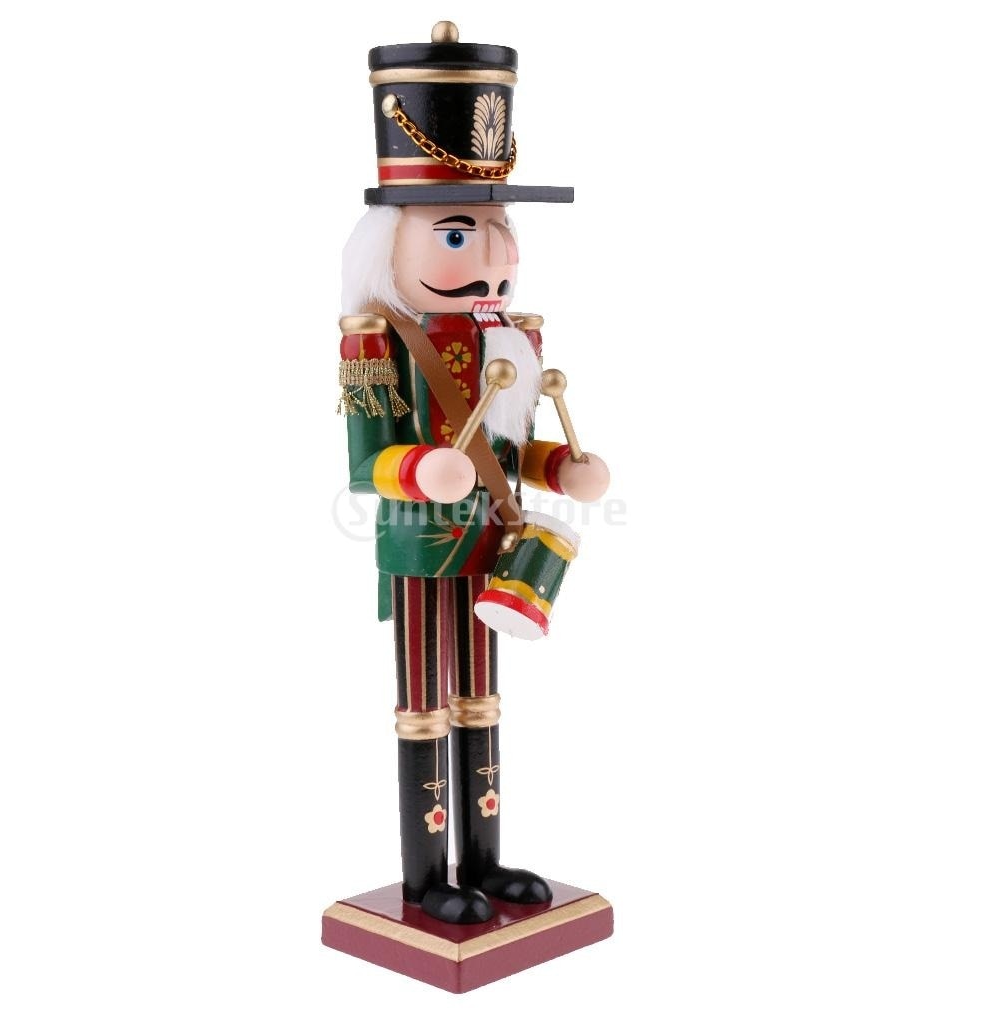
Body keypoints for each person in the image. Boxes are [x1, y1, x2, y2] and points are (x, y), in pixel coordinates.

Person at [335, 23, 609, 927]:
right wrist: (426, 468)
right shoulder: (377, 340)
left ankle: (482, 862)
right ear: (389, 244)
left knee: (480, 699)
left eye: (498, 227)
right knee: (422, 705)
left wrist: (561, 466)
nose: (494, 254)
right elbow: (367, 464)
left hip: (493, 542)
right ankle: (425, 881)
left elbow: (510, 445)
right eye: (459, 232)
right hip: (422, 549)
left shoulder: (514, 337)